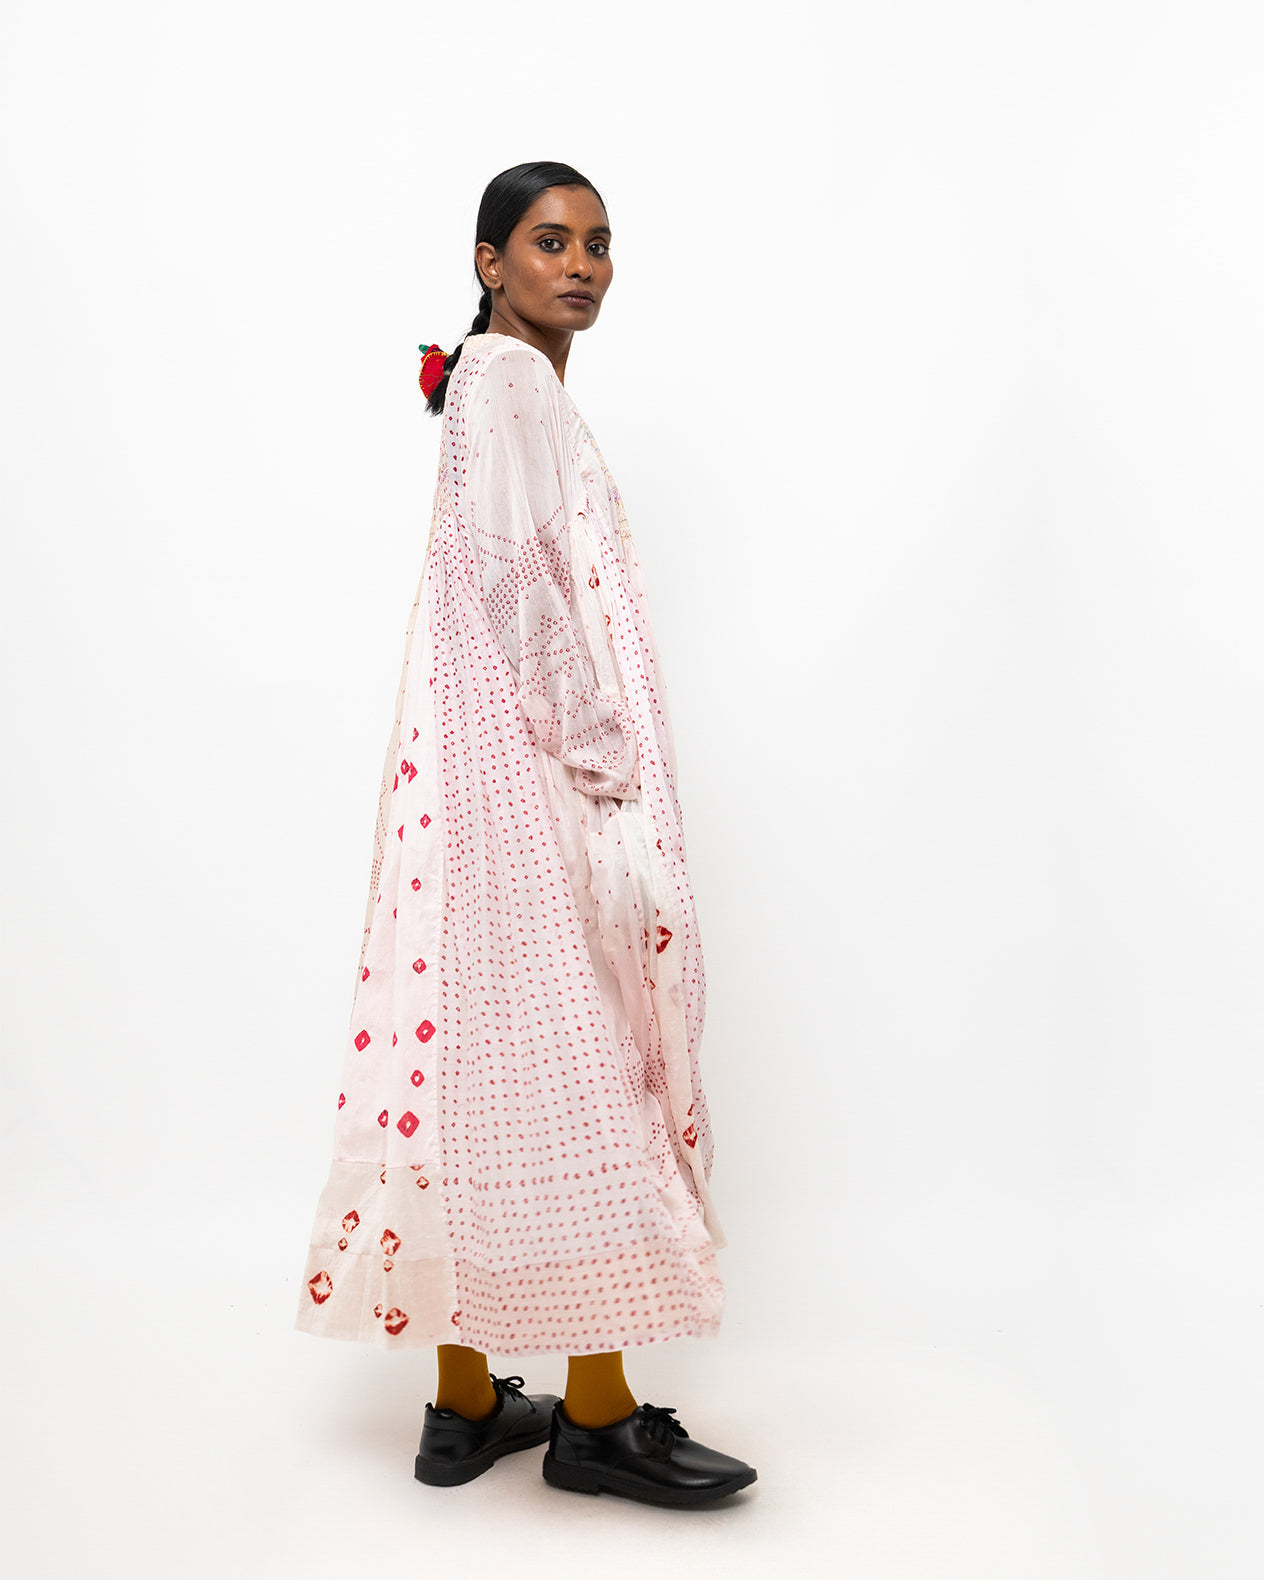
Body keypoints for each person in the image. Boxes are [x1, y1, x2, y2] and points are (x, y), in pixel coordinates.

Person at [295, 161, 756, 1508]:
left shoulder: (494, 382)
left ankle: (464, 1403)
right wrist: (602, 748)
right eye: (552, 242)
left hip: (471, 782)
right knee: (583, 1067)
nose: (584, 265)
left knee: (480, 1073)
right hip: (526, 780)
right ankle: (596, 1420)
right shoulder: (505, 379)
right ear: (490, 262)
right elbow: (512, 578)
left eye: (600, 244)